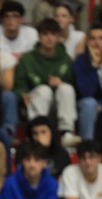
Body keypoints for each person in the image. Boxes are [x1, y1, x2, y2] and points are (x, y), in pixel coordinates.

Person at [15, 18, 80, 148]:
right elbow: (19, 84)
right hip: (36, 103)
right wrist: (23, 94)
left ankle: (66, 133)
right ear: (39, 36)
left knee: (66, 88)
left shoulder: (66, 59)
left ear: (58, 37)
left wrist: (61, 82)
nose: (49, 38)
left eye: (53, 34)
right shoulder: (28, 59)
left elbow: (74, 86)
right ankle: (38, 132)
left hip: (59, 106)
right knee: (44, 90)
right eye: (45, 34)